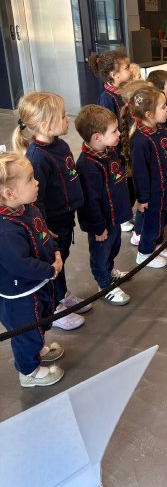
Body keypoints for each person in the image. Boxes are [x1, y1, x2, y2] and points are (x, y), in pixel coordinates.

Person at [13, 92, 90, 331]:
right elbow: (35, 200)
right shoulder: (37, 158)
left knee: (62, 258)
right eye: (63, 116)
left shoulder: (60, 144)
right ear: (46, 125)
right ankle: (53, 309)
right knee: (52, 263)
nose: (67, 119)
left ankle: (61, 293)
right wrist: (44, 228)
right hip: (51, 224)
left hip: (65, 216)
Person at [0, 152, 65, 387]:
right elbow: (21, 265)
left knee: (40, 322)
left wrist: (55, 251)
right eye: (30, 179)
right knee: (26, 332)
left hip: (39, 284)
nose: (37, 182)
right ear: (10, 194)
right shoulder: (6, 231)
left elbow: (43, 232)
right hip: (21, 295)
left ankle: (37, 349)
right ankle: (29, 371)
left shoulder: (27, 208)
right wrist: (50, 270)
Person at [75, 105, 132, 305]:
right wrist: (98, 227)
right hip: (101, 224)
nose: (119, 134)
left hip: (114, 218)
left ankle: (109, 271)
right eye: (114, 131)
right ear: (97, 137)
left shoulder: (110, 152)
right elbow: (89, 203)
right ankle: (104, 284)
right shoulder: (87, 166)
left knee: (114, 247)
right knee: (101, 253)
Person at [121, 86, 167, 267]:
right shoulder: (140, 141)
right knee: (152, 223)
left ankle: (157, 246)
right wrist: (143, 198)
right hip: (153, 192)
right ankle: (145, 253)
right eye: (163, 107)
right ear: (149, 115)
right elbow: (140, 173)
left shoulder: (161, 130)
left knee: (162, 219)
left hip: (165, 186)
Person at [88, 47, 135, 229]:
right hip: (117, 150)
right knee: (120, 184)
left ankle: (127, 212)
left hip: (127, 145)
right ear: (114, 75)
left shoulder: (124, 92)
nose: (131, 70)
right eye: (127, 67)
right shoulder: (107, 99)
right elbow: (106, 129)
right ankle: (122, 217)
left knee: (130, 183)